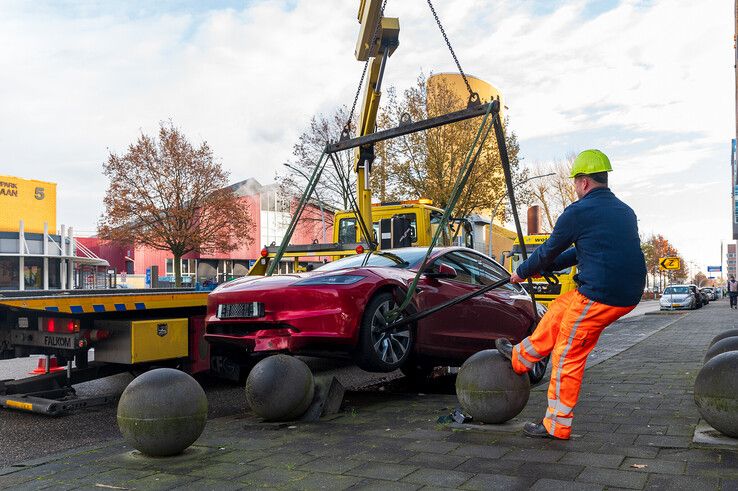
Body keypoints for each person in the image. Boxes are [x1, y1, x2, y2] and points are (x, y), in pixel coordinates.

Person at [495, 149, 646, 440]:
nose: (575, 188)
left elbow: (549, 248)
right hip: (626, 293)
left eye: (575, 183)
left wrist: (522, 272)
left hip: (600, 295)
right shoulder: (625, 212)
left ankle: (557, 424)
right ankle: (523, 357)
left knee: (567, 354)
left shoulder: (577, 212)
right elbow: (580, 251)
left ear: (584, 182)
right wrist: (546, 267)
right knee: (561, 308)